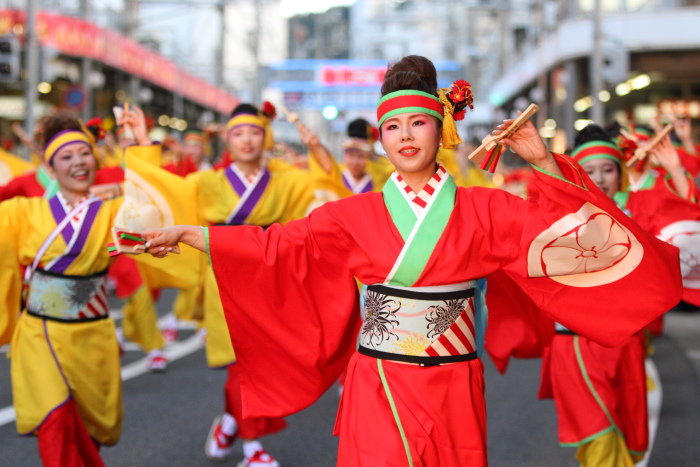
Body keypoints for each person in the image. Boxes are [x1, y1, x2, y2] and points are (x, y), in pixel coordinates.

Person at [143, 55, 681, 466]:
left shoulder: (486, 208)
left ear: (440, 130)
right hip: (378, 381)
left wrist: (543, 161)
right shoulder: (354, 214)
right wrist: (194, 233)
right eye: (393, 127)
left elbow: (571, 236)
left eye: (417, 124)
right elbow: (278, 246)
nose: (405, 136)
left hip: (454, 383)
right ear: (381, 138)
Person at [183, 102, 328, 466]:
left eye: (254, 132)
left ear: (266, 137)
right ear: (226, 141)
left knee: (263, 363)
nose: (247, 140)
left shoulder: (284, 180)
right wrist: (139, 145)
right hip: (224, 276)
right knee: (242, 364)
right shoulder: (206, 181)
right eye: (238, 133)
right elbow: (166, 195)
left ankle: (230, 423)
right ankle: (252, 449)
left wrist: (316, 147)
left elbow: (325, 186)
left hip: (267, 277)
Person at [536, 125, 650, 466]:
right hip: (575, 345)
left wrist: (674, 169)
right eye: (589, 171)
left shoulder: (638, 219)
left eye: (608, 169)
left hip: (625, 345)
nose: (600, 179)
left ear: (621, 173)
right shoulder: (558, 220)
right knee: (599, 438)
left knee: (625, 438)